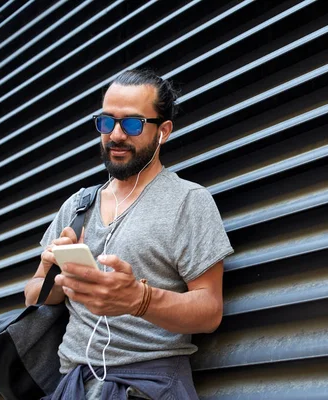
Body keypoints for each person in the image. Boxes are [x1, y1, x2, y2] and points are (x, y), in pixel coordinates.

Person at [23, 69, 233, 399]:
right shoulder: (78, 206)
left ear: (163, 131)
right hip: (72, 385)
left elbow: (210, 310)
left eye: (132, 124)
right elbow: (33, 295)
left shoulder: (188, 201)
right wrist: (54, 276)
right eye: (107, 122)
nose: (116, 135)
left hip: (149, 385)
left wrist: (140, 300)